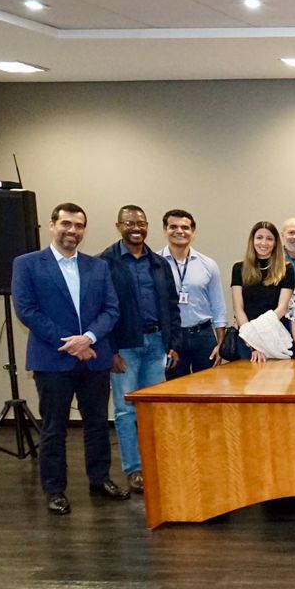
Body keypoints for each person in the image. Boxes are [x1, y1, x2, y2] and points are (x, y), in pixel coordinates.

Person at [11, 203, 125, 515]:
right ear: (52, 226)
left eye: (78, 226)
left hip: (94, 358)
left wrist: (88, 339)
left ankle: (99, 479)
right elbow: (27, 310)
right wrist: (71, 343)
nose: (72, 231)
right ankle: (54, 489)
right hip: (52, 360)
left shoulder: (97, 266)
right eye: (66, 224)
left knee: (98, 424)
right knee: (54, 427)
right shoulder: (27, 264)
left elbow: (111, 309)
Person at [97, 205, 182, 495]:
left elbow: (171, 306)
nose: (136, 227)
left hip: (157, 342)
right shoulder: (105, 262)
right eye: (129, 222)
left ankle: (156, 464)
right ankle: (134, 470)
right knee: (125, 412)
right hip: (125, 347)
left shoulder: (159, 263)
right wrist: (110, 351)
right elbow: (100, 311)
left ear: (147, 226)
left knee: (154, 410)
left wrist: (173, 343)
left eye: (141, 223)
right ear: (118, 225)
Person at [160, 208, 226, 378]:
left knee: (207, 390)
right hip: (172, 337)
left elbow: (218, 307)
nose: (179, 231)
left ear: (193, 232)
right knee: (173, 391)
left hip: (203, 336)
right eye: (173, 227)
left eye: (185, 227)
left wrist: (221, 343)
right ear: (165, 230)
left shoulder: (208, 264)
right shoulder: (155, 263)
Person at [229, 220, 295, 362]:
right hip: (246, 337)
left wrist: (260, 335)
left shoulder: (286, 269)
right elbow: (238, 308)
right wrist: (252, 341)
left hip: (276, 335)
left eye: (269, 238)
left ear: (276, 243)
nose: (264, 243)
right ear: (252, 240)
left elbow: (283, 308)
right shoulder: (238, 268)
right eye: (259, 237)